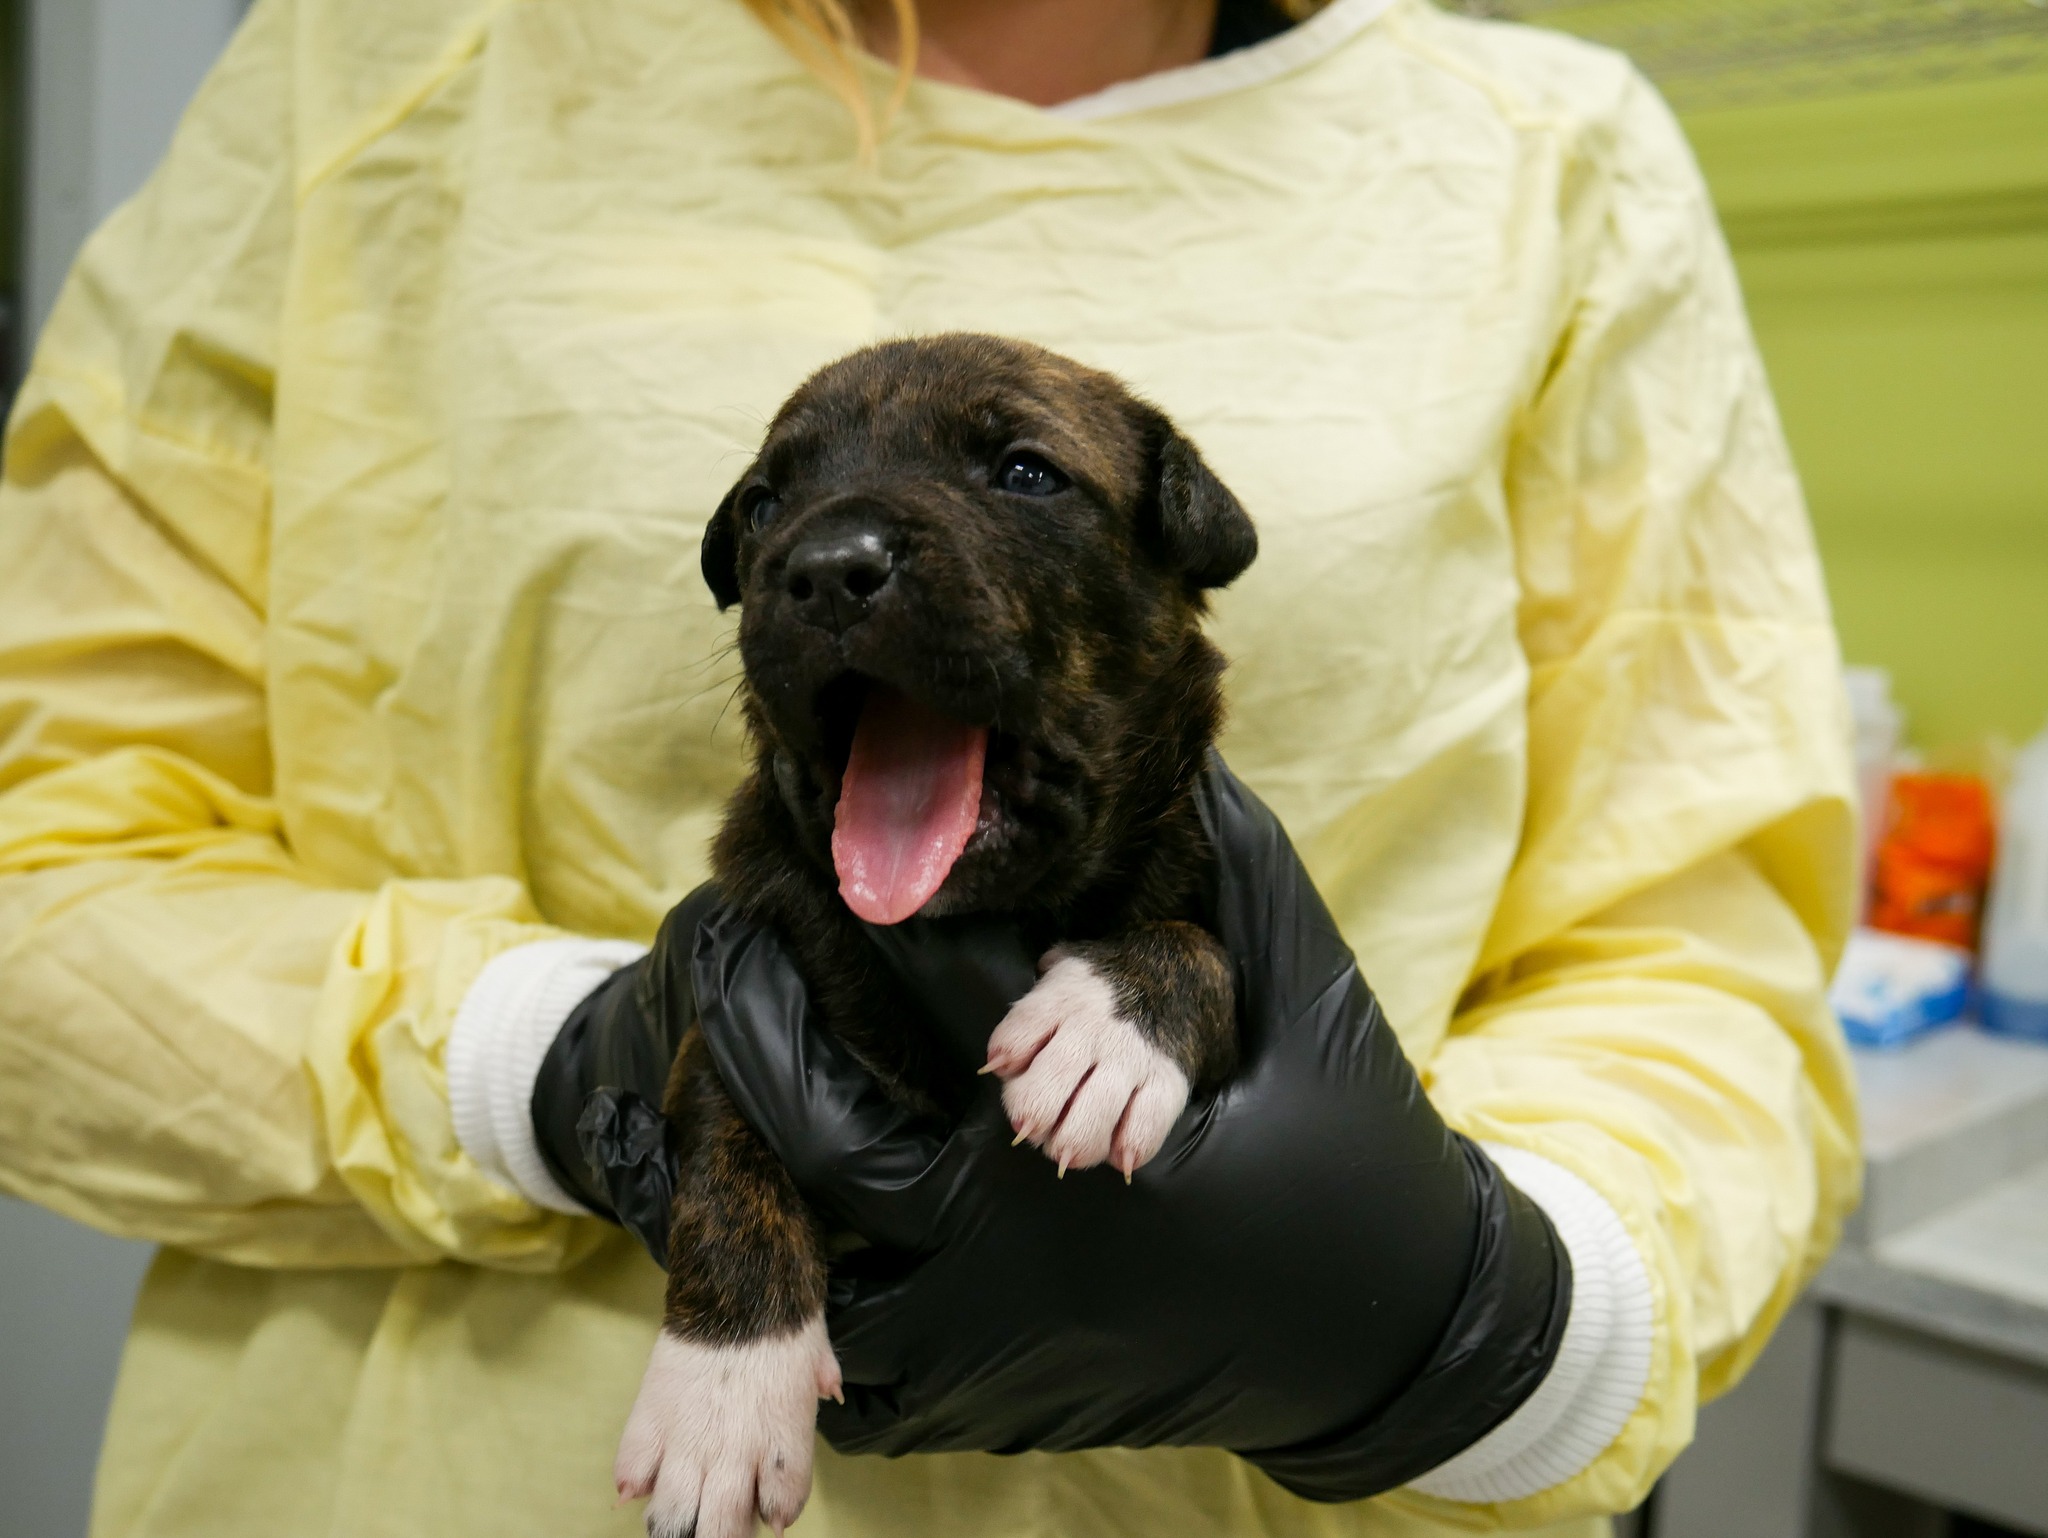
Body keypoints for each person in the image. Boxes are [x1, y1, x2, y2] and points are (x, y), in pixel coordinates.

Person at [0, 0, 1860, 1534]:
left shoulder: (1543, 158)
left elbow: (1699, 957)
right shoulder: (390, 60)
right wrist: (547, 1069)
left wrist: (1495, 1323)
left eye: (1024, 477)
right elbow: (45, 864)